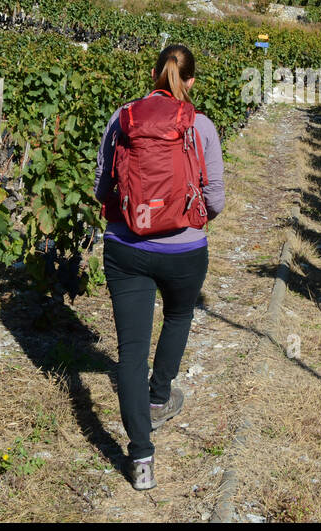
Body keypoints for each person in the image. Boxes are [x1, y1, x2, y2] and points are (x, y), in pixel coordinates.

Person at [93, 44, 225, 490]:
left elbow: (101, 188)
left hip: (125, 247)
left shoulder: (122, 118)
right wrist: (182, 217)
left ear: (153, 74)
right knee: (179, 315)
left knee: (130, 352)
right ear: (190, 82)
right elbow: (216, 200)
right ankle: (159, 396)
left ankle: (142, 459)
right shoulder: (201, 125)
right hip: (184, 251)